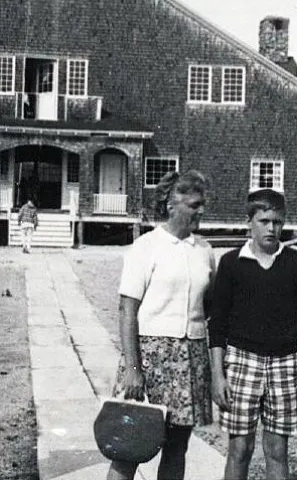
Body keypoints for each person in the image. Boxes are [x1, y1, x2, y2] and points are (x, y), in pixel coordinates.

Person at [107, 170, 216, 480]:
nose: (201, 211)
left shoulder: (205, 251)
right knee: (129, 448)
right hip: (150, 359)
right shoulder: (146, 246)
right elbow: (127, 312)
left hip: (190, 358)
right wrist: (132, 369)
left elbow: (208, 306)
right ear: (171, 204)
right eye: (195, 205)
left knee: (177, 448)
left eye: (202, 204)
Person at [207, 189, 297, 480]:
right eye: (264, 221)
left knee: (277, 451)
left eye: (278, 222)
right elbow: (217, 323)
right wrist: (217, 375)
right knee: (239, 450)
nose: (271, 228)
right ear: (250, 223)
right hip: (241, 362)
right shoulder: (231, 263)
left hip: (284, 363)